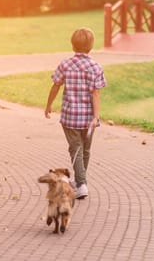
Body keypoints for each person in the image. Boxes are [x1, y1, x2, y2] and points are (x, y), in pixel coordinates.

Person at [44, 27, 106, 199]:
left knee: (76, 150)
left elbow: (56, 85)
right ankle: (81, 181)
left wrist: (49, 105)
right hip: (88, 118)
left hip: (70, 116)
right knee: (84, 150)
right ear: (91, 46)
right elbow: (96, 93)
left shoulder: (65, 64)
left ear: (73, 46)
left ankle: (81, 184)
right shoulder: (95, 67)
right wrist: (95, 116)